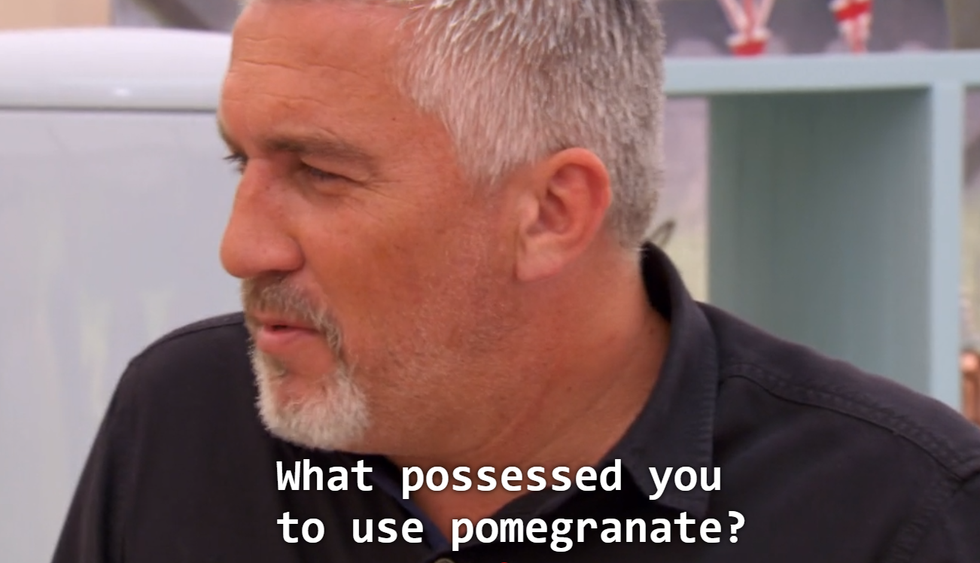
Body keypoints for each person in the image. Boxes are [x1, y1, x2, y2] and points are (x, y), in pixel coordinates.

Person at [53, 1, 980, 561]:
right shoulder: (184, 420)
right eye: (240, 161)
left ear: (551, 213)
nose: (240, 246)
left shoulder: (898, 517)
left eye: (319, 173)